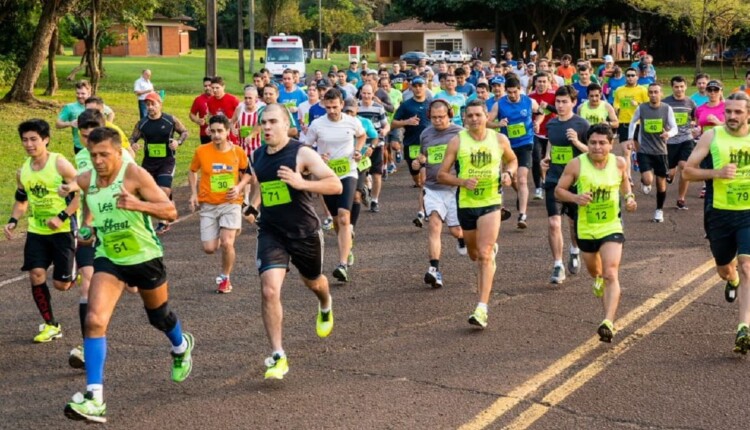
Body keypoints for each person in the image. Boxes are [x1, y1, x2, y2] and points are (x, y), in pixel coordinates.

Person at [62, 127, 193, 423]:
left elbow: (170, 211)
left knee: (159, 317)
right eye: (93, 155)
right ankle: (95, 398)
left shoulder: (134, 175)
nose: (98, 161)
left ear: (118, 152)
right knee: (94, 320)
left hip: (145, 257)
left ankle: (181, 346)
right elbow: (89, 214)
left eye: (104, 155)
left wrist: (137, 204)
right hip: (110, 257)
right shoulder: (86, 181)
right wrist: (86, 229)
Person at [245, 103, 342, 379]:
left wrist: (302, 184)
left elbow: (334, 184)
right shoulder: (257, 155)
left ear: (286, 124)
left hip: (304, 232)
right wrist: (252, 207)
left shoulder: (301, 153)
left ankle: (325, 304)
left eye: (273, 122)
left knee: (314, 282)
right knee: (269, 291)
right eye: (263, 122)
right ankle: (278, 355)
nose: (266, 127)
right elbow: (262, 187)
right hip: (272, 231)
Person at [437, 99, 517, 328]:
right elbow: (442, 175)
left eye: (478, 115)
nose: (474, 119)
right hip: (466, 203)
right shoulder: (456, 142)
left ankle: (481, 308)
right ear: (464, 119)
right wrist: (462, 181)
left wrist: (509, 174)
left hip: (491, 202)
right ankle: (486, 251)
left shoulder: (499, 139)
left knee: (484, 253)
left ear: (486, 117)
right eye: (469, 116)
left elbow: (512, 160)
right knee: (473, 254)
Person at [555, 123, 637, 342]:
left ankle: (608, 321)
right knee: (596, 272)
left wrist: (629, 198)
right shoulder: (576, 165)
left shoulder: (619, 163)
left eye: (602, 143)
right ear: (587, 143)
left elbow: (625, 184)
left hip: (611, 226)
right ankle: (597, 278)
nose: (597, 147)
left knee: (611, 272)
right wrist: (575, 198)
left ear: (611, 145)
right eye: (593, 142)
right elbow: (558, 191)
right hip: (586, 228)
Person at [682, 92, 750, 354]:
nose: (731, 116)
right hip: (719, 213)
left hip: (747, 212)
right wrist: (716, 173)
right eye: (729, 112)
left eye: (738, 112)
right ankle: (729, 280)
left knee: (746, 265)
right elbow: (688, 170)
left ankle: (743, 327)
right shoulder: (713, 136)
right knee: (725, 268)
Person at [4, 119, 78, 344]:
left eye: (34, 139)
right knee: (36, 274)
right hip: (37, 231)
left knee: (62, 285)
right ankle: (51, 325)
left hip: (63, 229)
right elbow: (21, 201)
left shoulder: (60, 163)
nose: (29, 144)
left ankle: (78, 269)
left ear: (45, 139)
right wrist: (13, 220)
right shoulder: (23, 171)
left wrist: (62, 216)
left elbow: (80, 193)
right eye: (25, 140)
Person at [306, 88, 366, 282]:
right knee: (336, 220)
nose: (332, 111)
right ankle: (347, 248)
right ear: (323, 105)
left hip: (348, 172)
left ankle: (342, 265)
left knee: (343, 217)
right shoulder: (317, 124)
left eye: (335, 107)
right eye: (328, 107)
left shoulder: (352, 121)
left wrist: (357, 150)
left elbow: (362, 135)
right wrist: (317, 156)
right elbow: (306, 147)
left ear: (342, 104)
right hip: (327, 175)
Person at [188, 115, 252, 294]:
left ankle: (225, 278)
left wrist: (239, 187)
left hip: (230, 203)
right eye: (213, 131)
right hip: (208, 204)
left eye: (220, 131)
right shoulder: (202, 151)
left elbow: (248, 173)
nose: (216, 135)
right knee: (209, 248)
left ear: (227, 131)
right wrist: (194, 193)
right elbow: (192, 171)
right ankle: (229, 229)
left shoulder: (238, 152)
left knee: (226, 243)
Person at [412, 100, 467, 288]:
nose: (437, 121)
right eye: (434, 118)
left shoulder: (460, 133)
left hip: (454, 189)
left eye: (441, 117)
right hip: (432, 188)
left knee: (455, 230)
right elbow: (422, 157)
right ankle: (434, 270)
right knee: (434, 225)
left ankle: (462, 238)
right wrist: (417, 163)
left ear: (449, 114)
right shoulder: (425, 134)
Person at [542, 86, 590, 284]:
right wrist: (546, 158)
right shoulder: (551, 124)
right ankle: (557, 265)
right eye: (558, 102)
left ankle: (574, 249)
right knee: (554, 223)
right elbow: (551, 143)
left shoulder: (582, 124)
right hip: (554, 179)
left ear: (573, 103)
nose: (560, 106)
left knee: (573, 224)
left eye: (564, 102)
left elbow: (593, 152)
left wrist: (577, 142)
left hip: (575, 182)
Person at [128, 92, 189, 234]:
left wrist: (178, 142)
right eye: (147, 104)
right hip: (149, 163)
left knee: (163, 189)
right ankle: (168, 201)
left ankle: (163, 221)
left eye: (153, 104)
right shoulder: (142, 123)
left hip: (167, 161)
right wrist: (133, 145)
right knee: (145, 192)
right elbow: (132, 138)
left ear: (159, 104)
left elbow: (184, 132)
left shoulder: (170, 120)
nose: (150, 107)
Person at [492, 76, 543, 229]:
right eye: (509, 93)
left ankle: (522, 215)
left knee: (522, 179)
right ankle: (520, 196)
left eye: (515, 92)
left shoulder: (528, 101)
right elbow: (487, 121)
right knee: (510, 178)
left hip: (525, 143)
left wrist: (537, 122)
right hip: (507, 147)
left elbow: (541, 111)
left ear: (519, 89)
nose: (512, 95)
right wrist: (498, 124)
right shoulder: (499, 104)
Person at [627, 83, 677, 222]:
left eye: (656, 92)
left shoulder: (667, 109)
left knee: (661, 184)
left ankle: (659, 210)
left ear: (661, 93)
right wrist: (631, 138)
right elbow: (632, 122)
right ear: (648, 94)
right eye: (651, 92)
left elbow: (675, 128)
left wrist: (669, 134)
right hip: (645, 150)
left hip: (661, 151)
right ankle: (645, 181)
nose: (653, 95)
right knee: (648, 179)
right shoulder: (641, 108)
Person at [392, 76, 433, 227]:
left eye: (420, 85)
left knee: (424, 181)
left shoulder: (432, 104)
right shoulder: (406, 105)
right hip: (411, 145)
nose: (418, 88)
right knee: (417, 179)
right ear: (411, 87)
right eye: (415, 85)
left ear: (425, 86)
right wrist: (406, 122)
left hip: (429, 147)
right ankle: (424, 206)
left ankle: (423, 211)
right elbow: (393, 124)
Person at [662, 76, 697, 210]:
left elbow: (695, 118)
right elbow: (661, 118)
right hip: (670, 141)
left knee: (684, 166)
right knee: (670, 173)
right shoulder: (666, 103)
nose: (679, 89)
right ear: (672, 87)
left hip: (686, 139)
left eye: (682, 86)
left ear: (686, 87)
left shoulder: (691, 102)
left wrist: (694, 124)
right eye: (676, 87)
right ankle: (671, 173)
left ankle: (681, 198)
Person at [357, 84, 389, 212]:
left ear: (373, 94)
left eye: (369, 93)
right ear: (361, 93)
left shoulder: (378, 107)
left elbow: (386, 124)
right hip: (360, 146)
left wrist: (385, 131)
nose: (366, 96)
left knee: (377, 174)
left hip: (376, 144)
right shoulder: (356, 107)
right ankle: (365, 188)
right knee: (362, 173)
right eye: (364, 93)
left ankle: (375, 200)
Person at [613, 68, 648, 180]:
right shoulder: (619, 90)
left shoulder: (642, 90)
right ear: (625, 76)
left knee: (640, 151)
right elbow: (616, 104)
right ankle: (628, 177)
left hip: (638, 123)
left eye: (633, 75)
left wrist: (637, 103)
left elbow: (648, 106)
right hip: (624, 123)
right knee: (626, 152)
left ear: (637, 76)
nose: (630, 77)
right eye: (628, 75)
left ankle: (644, 176)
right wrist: (617, 108)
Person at [528, 72, 557, 200]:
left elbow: (561, 110)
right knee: (536, 159)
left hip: (552, 133)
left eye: (544, 81)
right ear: (535, 83)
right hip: (536, 133)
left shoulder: (554, 95)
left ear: (549, 82)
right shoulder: (530, 97)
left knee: (552, 160)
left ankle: (551, 184)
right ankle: (538, 188)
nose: (541, 84)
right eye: (539, 81)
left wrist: (548, 107)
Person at [56, 80, 92, 154]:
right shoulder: (69, 107)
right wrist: (70, 123)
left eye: (83, 93)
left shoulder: (95, 105)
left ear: (89, 94)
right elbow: (58, 124)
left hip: (96, 144)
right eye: (77, 93)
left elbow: (110, 113)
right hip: (80, 146)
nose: (79, 96)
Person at [208, 76, 240, 144]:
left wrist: (231, 122)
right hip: (217, 134)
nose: (215, 90)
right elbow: (211, 115)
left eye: (217, 88)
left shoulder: (233, 100)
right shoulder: (210, 101)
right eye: (213, 88)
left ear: (223, 87)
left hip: (232, 134)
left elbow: (240, 114)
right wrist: (209, 126)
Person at [189, 76, 214, 144]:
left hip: (219, 133)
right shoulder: (199, 99)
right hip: (205, 134)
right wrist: (197, 120)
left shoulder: (219, 98)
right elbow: (192, 114)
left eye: (209, 85)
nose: (207, 88)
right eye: (205, 86)